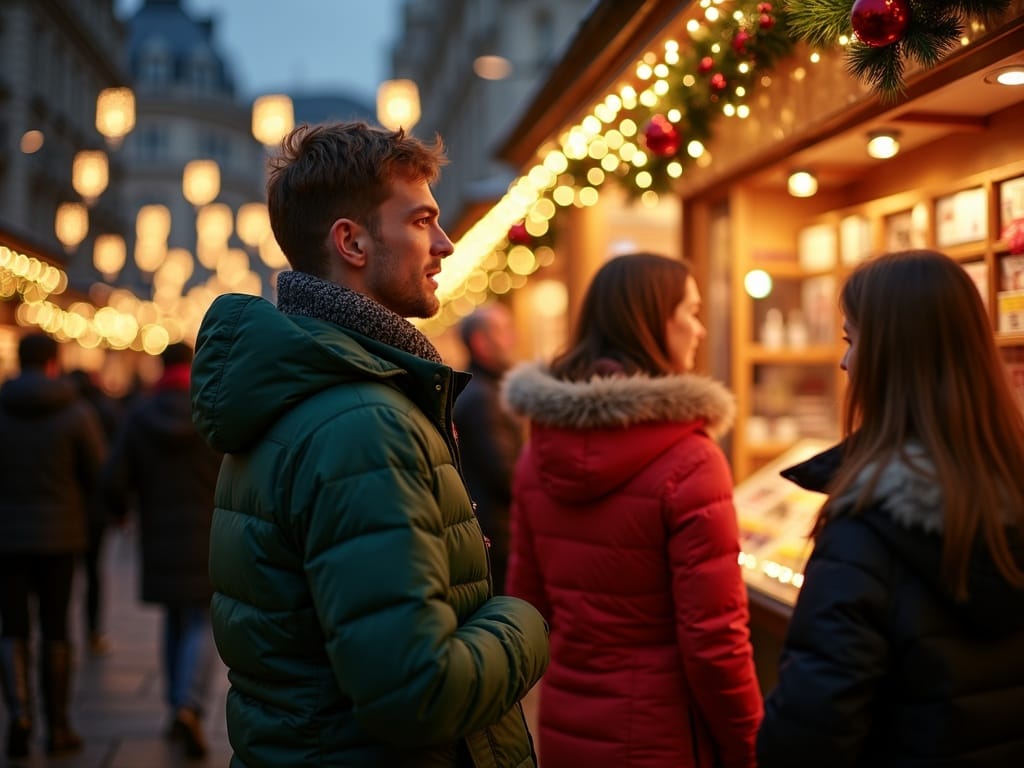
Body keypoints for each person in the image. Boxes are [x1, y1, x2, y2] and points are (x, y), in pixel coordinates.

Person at [189, 121, 549, 768]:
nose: (445, 243)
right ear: (350, 241)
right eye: (420, 221)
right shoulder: (362, 422)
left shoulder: (310, 391)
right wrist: (527, 620)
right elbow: (416, 692)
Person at [757, 250, 1024, 767]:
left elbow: (807, 738)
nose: (844, 362)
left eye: (851, 340)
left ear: (891, 355)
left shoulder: (865, 530)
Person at [503, 252, 762, 768]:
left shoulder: (541, 449)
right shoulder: (691, 459)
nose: (701, 329)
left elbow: (528, 609)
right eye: (689, 312)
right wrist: (752, 746)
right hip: (661, 735)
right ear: (650, 322)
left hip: (567, 725)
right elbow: (715, 641)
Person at [101, 342, 221, 759]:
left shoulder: (140, 414)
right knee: (200, 620)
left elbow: (113, 476)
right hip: (206, 531)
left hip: (158, 531)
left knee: (174, 618)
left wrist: (121, 513)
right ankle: (188, 705)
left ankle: (176, 703)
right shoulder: (211, 410)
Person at [0, 333, 106, 759]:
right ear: (53, 362)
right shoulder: (75, 412)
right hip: (61, 535)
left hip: (6, 536)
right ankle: (58, 725)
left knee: (12, 626)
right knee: (56, 625)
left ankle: (19, 715)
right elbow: (98, 472)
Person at [452, 303, 523, 594]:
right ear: (481, 342)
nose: (513, 340)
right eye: (504, 331)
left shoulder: (479, 390)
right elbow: (505, 474)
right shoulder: (483, 398)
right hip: (497, 532)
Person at [67, 368, 121, 655]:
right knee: (92, 571)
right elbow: (105, 466)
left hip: (33, 519)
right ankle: (92, 630)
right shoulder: (95, 412)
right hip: (90, 511)